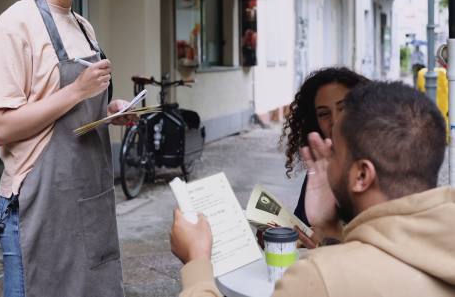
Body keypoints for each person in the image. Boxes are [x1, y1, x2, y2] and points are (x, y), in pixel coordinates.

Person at [171, 81, 455, 296]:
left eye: (335, 153)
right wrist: (329, 230)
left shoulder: (320, 279)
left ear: (361, 175)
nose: (328, 163)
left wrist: (197, 261)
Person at [0, 0, 130, 296]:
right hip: (39, 201)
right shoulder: (15, 24)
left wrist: (110, 113)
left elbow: (76, 109)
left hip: (90, 197)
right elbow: (1, 127)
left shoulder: (84, 26)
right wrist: (77, 92)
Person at [280, 67, 368, 231]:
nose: (335, 120)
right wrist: (281, 235)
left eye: (343, 108)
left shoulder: (382, 164)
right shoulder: (320, 168)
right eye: (323, 114)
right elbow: (302, 225)